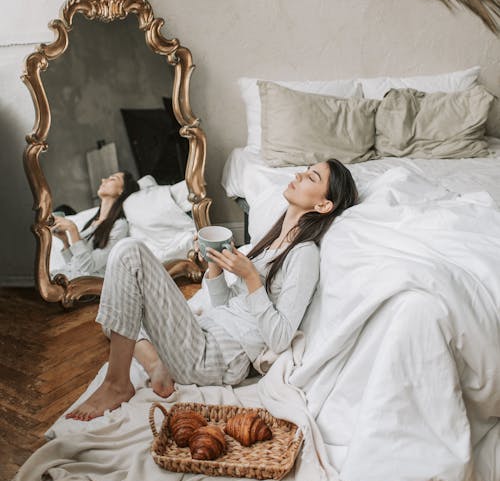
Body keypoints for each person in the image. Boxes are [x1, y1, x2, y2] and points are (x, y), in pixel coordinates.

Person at [66, 159, 358, 420]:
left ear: (323, 205)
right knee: (119, 311)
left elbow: (280, 338)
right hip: (204, 330)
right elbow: (227, 306)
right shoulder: (270, 242)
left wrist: (251, 278)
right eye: (306, 170)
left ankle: (117, 385)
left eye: (312, 177)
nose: (299, 174)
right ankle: (157, 365)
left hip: (213, 356)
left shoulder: (303, 254)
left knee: (129, 252)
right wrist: (215, 268)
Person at [51, 170, 140, 279]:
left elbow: (87, 267)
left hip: (86, 288)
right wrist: (65, 242)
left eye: (112, 179)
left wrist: (72, 228)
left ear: (122, 190)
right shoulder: (92, 223)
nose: (103, 180)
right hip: (67, 277)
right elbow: (76, 265)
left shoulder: (119, 225)